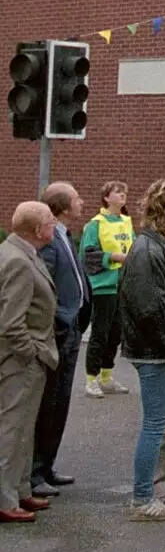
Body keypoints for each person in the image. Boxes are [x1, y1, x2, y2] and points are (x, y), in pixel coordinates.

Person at [117, 179, 165, 521]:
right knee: (158, 422)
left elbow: (161, 307)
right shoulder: (150, 252)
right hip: (156, 352)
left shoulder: (152, 247)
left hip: (161, 349)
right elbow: (155, 309)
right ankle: (142, 498)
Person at [30, 184, 91, 498]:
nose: (81, 202)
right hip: (60, 332)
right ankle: (36, 471)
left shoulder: (65, 236)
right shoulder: (50, 241)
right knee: (49, 403)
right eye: (76, 198)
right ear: (63, 206)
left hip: (72, 330)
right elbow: (46, 290)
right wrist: (60, 324)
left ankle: (48, 465)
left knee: (61, 403)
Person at [0, 202, 58, 523]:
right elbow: (11, 321)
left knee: (24, 428)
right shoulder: (18, 262)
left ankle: (20, 490)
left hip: (27, 357)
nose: (54, 226)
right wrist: (30, 353)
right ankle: (5, 498)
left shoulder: (20, 253)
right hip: (20, 361)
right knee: (13, 428)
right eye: (50, 222)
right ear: (38, 230)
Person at [78, 180, 133, 397]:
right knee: (100, 333)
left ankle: (106, 376)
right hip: (103, 286)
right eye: (117, 192)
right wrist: (113, 257)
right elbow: (88, 254)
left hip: (122, 284)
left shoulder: (126, 222)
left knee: (115, 333)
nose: (122, 195)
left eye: (124, 192)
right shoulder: (96, 223)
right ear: (106, 197)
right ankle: (91, 379)